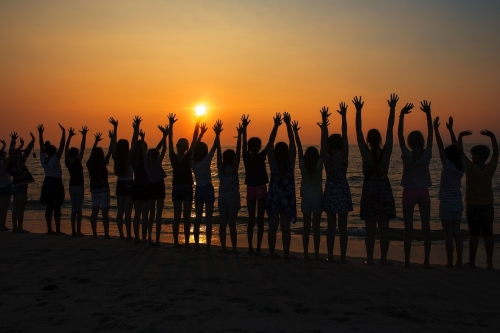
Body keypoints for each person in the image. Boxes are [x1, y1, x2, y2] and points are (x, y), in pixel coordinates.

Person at [355, 95, 396, 266]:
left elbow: (358, 131)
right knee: (384, 229)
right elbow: (390, 129)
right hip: (384, 191)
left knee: (370, 229)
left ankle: (370, 259)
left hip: (369, 192)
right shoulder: (386, 152)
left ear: (368, 141)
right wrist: (392, 109)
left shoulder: (365, 153)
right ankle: (384, 260)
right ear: (379, 139)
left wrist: (358, 111)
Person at [456, 125, 498, 269]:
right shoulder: (490, 169)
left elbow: (460, 152)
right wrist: (492, 137)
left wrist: (460, 136)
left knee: (474, 234)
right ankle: (490, 262)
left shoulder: (471, 168)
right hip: (487, 206)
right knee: (488, 234)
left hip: (473, 206)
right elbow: (496, 154)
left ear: (478, 156)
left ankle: (472, 262)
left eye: (473, 154)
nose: (471, 156)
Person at [398, 100, 433, 268]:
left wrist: (401, 115)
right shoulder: (427, 155)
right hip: (423, 191)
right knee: (426, 227)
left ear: (410, 143)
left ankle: (406, 261)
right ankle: (426, 261)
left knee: (408, 228)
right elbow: (431, 133)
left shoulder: (406, 154)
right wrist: (428, 114)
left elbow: (399, 134)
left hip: (409, 191)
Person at [321, 103, 353, 263]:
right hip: (342, 189)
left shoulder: (326, 157)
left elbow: (323, 140)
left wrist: (324, 121)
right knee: (343, 227)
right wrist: (344, 116)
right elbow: (346, 134)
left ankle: (331, 256)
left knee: (331, 226)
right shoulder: (344, 156)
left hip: (331, 190)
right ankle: (342, 257)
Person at [168, 113, 204, 248]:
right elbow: (194, 139)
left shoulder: (172, 155)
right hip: (186, 187)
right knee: (187, 216)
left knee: (177, 215)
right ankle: (187, 242)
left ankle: (177, 242)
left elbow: (170, 141)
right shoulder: (189, 155)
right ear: (186, 147)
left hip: (177, 187)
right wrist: (196, 124)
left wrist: (171, 125)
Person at [434, 116, 465, 268]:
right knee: (457, 233)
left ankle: (450, 262)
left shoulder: (447, 166)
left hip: (446, 203)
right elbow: (458, 149)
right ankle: (459, 261)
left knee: (448, 235)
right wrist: (451, 130)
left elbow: (440, 146)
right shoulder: (461, 167)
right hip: (458, 203)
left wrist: (436, 129)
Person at [266, 112, 296, 259]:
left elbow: (269, 144)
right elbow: (293, 144)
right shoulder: (290, 163)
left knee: (272, 227)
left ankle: (271, 253)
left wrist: (276, 126)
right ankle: (285, 254)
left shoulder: (273, 162)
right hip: (287, 198)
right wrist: (288, 125)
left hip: (274, 197)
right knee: (285, 227)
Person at [292, 117, 323, 260]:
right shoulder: (318, 166)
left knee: (306, 228)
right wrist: (323, 130)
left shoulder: (303, 166)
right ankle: (316, 254)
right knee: (316, 228)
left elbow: (299, 147)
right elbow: (324, 147)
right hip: (317, 200)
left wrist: (295, 133)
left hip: (305, 200)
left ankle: (305, 254)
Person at [191, 120, 221, 251]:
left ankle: (197, 244)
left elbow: (193, 146)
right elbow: (215, 147)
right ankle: (208, 245)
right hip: (208, 188)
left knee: (198, 218)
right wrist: (217, 133)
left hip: (198, 190)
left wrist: (200, 134)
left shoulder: (192, 161)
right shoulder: (206, 160)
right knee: (208, 219)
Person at [242, 115, 268, 255]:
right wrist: (276, 126)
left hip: (250, 188)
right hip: (261, 187)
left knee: (251, 219)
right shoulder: (260, 156)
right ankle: (258, 247)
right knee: (260, 219)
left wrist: (244, 129)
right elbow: (270, 142)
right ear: (258, 147)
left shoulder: (246, 156)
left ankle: (251, 247)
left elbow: (243, 144)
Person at [217, 122, 243, 253]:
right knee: (232, 225)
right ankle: (233, 248)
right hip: (232, 197)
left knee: (223, 224)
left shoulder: (221, 168)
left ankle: (223, 247)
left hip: (222, 198)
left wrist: (217, 135)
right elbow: (239, 152)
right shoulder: (233, 169)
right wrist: (239, 135)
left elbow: (218, 152)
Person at [142, 125, 169, 246]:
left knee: (151, 214)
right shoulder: (157, 162)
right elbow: (164, 149)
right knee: (158, 215)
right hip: (159, 186)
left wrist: (142, 139)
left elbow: (145, 152)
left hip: (151, 187)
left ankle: (149, 237)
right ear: (156, 156)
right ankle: (157, 239)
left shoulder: (146, 164)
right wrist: (165, 136)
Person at [37, 124, 66, 235]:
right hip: (56, 183)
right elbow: (62, 145)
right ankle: (57, 230)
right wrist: (64, 132)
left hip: (47, 182)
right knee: (57, 205)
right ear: (54, 151)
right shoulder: (55, 158)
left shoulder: (43, 159)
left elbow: (40, 146)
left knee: (49, 206)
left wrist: (40, 133)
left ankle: (49, 229)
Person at [109, 117, 135, 240]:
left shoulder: (116, 157)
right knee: (128, 212)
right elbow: (134, 143)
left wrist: (115, 127)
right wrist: (135, 129)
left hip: (120, 184)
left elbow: (113, 145)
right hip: (129, 183)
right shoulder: (129, 157)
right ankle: (129, 234)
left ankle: (121, 235)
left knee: (120, 211)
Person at [6, 132, 36, 233]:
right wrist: (32, 141)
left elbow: (11, 151)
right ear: (17, 155)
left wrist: (13, 141)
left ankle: (14, 228)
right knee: (21, 208)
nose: (20, 153)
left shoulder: (10, 163)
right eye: (19, 153)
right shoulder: (19, 162)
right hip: (21, 186)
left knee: (15, 208)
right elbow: (27, 152)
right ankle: (19, 228)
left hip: (14, 185)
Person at [86, 131, 113, 238]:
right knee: (105, 213)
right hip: (104, 190)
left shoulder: (89, 164)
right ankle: (106, 234)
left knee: (94, 213)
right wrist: (111, 139)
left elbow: (92, 153)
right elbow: (110, 152)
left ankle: (94, 234)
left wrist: (96, 141)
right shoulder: (102, 162)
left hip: (94, 190)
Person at [64, 126, 88, 236]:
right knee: (78, 210)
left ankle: (74, 231)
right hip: (79, 186)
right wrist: (84, 136)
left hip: (72, 186)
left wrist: (69, 137)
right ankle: (78, 231)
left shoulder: (68, 162)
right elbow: (82, 148)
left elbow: (65, 149)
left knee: (74, 210)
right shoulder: (77, 161)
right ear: (76, 154)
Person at [130, 117, 150, 243]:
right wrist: (142, 138)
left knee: (137, 214)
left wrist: (136, 130)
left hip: (135, 186)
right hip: (145, 187)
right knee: (144, 215)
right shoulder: (146, 159)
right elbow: (141, 149)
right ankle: (143, 237)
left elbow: (133, 145)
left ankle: (137, 237)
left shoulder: (132, 158)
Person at [0, 138, 13, 231]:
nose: (6, 155)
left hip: (0, 186)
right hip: (6, 185)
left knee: (1, 206)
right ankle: (2, 225)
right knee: (4, 207)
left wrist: (4, 145)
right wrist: (13, 142)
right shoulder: (3, 162)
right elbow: (12, 155)